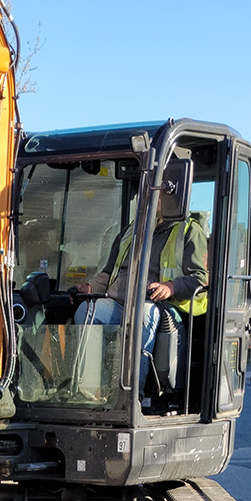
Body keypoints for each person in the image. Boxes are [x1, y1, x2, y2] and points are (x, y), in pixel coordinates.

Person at [75, 163, 209, 401]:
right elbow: (109, 272)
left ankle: (131, 393)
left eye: (155, 195)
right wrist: (91, 287)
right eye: (144, 194)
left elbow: (200, 278)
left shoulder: (189, 231)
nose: (146, 200)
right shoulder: (130, 232)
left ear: (170, 198)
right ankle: (89, 389)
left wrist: (171, 287)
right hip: (120, 303)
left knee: (143, 313)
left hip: (159, 305)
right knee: (87, 310)